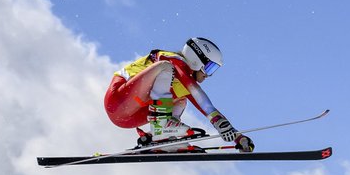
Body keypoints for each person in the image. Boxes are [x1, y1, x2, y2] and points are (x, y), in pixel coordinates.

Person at [103, 37, 254, 152]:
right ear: (197, 60)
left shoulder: (182, 80)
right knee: (165, 67)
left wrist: (236, 136)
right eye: (209, 68)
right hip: (118, 101)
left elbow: (204, 106)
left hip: (130, 117)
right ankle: (161, 127)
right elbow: (198, 94)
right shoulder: (173, 60)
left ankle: (162, 138)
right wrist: (219, 123)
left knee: (181, 99)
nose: (208, 75)